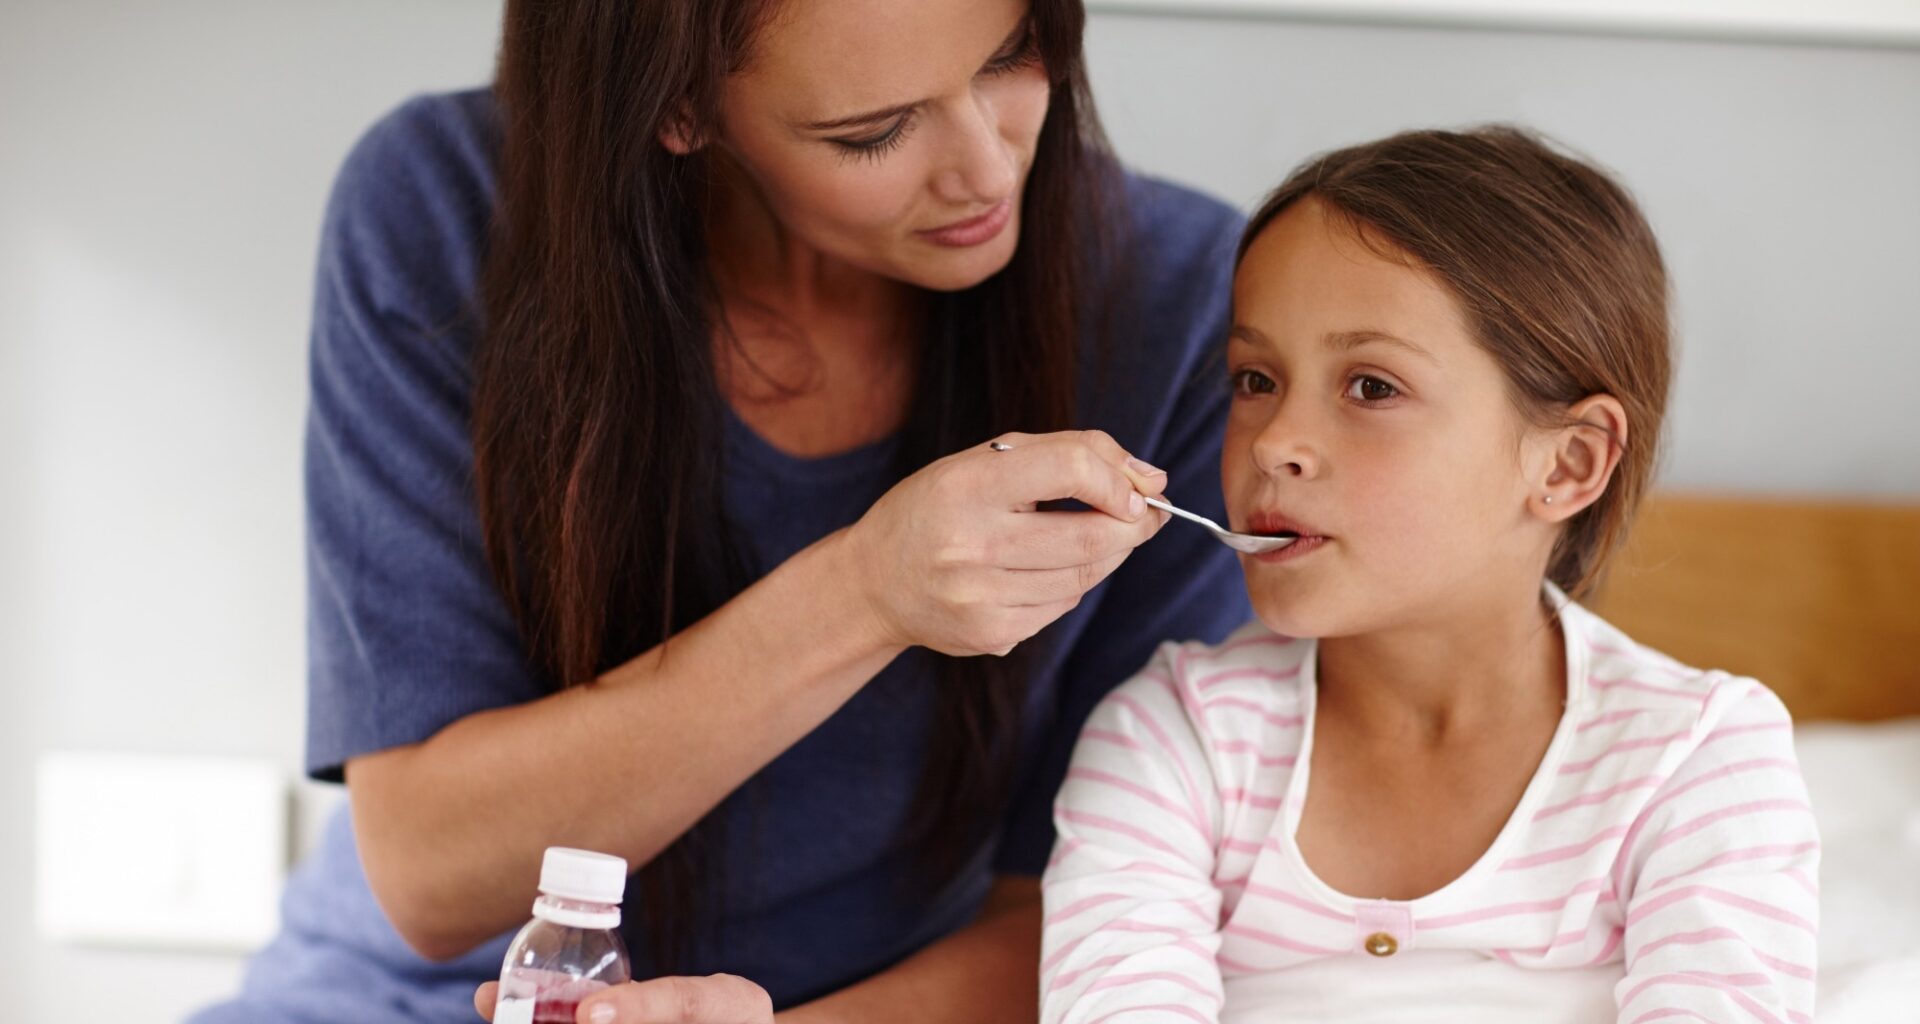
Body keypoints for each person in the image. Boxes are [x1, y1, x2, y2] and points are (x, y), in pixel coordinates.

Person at [187, 0, 1254, 1021]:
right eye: (873, 130)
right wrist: (867, 591)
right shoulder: (450, 206)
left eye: (1011, 55)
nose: (988, 166)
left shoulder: (1183, 301)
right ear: (681, 108)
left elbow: (1095, 926)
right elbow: (435, 873)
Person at [1039, 127, 1819, 1023]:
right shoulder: (1172, 743)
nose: (1276, 443)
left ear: (1566, 464)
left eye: (1371, 387)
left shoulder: (1697, 761)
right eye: (1255, 379)